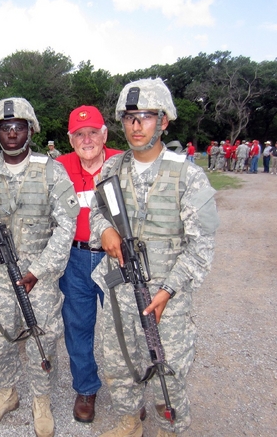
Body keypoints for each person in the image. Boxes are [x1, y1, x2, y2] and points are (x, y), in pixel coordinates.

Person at [89, 78, 219, 437]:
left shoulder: (188, 177)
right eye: (129, 117)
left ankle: (168, 428)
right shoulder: (111, 170)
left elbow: (201, 245)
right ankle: (130, 420)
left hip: (166, 300)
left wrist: (168, 291)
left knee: (169, 369)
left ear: (163, 121)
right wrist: (105, 231)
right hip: (120, 295)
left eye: (145, 116)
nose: (135, 125)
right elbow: (98, 212)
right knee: (118, 364)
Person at [0, 97, 79, 437]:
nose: (12, 133)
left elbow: (67, 225)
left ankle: (41, 399)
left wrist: (41, 271)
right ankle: (8, 391)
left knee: (41, 336)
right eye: (5, 127)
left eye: (18, 127)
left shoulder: (50, 170)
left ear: (30, 130)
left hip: (38, 276)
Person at [56, 105, 122, 423]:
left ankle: (127, 391)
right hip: (75, 259)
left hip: (114, 260)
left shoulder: (123, 163)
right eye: (79, 134)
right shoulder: (59, 168)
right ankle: (86, 388)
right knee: (78, 326)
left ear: (104, 134)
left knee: (122, 327)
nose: (87, 139)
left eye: (93, 132)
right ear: (70, 140)